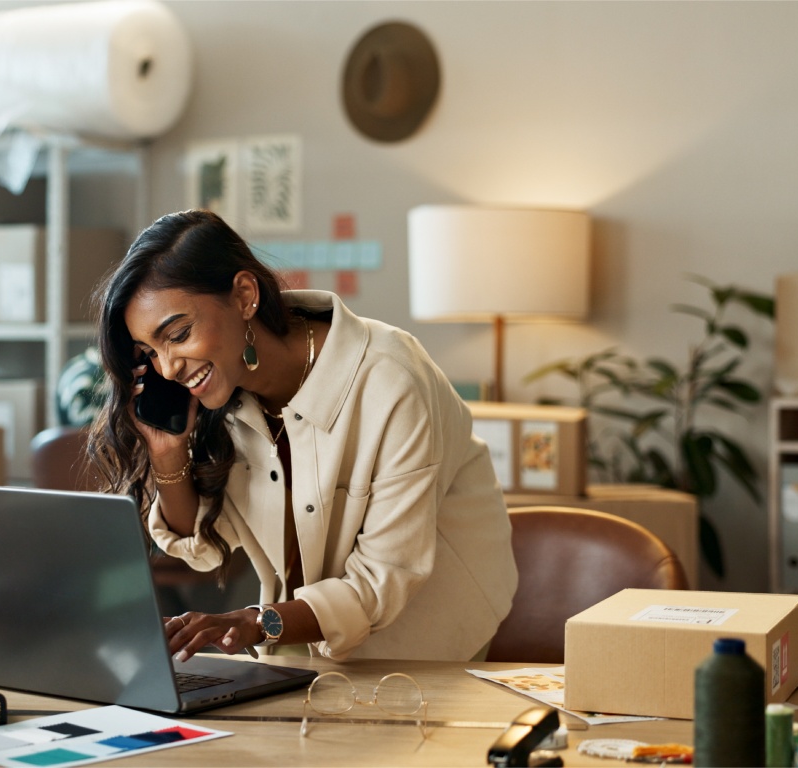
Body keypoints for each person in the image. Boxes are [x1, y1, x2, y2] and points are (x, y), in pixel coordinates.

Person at [87, 209, 517, 662]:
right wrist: (167, 454)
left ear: (244, 296)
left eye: (178, 334)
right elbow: (203, 550)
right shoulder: (225, 396)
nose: (168, 367)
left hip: (427, 647)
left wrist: (252, 622)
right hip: (299, 649)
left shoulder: (389, 377)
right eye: (151, 352)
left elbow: (382, 579)